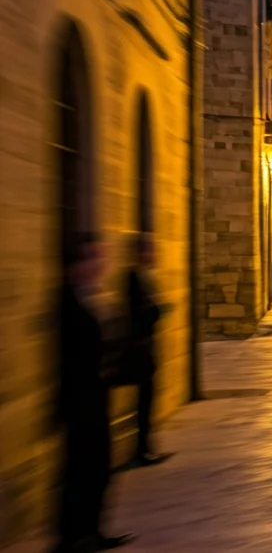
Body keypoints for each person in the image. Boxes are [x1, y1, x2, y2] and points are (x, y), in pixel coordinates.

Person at [55, 235, 136, 552]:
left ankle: (92, 530)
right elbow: (70, 355)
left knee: (99, 467)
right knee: (80, 469)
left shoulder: (94, 296)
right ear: (79, 263)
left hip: (96, 396)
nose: (101, 263)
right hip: (79, 399)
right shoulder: (68, 300)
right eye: (95, 257)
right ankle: (72, 536)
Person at [125, 237, 171, 467]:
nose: (154, 255)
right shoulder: (133, 278)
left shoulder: (143, 277)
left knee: (149, 399)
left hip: (147, 349)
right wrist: (157, 309)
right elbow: (139, 313)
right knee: (144, 400)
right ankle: (142, 449)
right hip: (140, 350)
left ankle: (146, 445)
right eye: (150, 250)